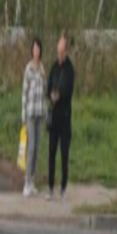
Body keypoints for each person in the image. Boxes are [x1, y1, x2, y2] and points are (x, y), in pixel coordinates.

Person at [46, 34, 76, 201]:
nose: (60, 55)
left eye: (62, 52)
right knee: (51, 152)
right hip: (54, 117)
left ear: (66, 51)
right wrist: (51, 94)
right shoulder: (54, 67)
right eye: (58, 52)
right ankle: (50, 187)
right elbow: (49, 84)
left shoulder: (70, 69)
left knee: (64, 154)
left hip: (64, 117)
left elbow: (69, 89)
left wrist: (60, 96)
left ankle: (63, 187)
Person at [20, 36, 48, 198]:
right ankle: (26, 181)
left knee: (37, 147)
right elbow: (24, 92)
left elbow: (44, 89)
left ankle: (32, 180)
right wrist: (23, 114)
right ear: (32, 50)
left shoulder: (42, 68)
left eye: (38, 48)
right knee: (30, 147)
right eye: (34, 48)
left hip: (40, 111)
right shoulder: (29, 68)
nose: (36, 51)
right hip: (30, 111)